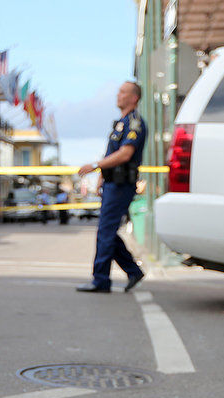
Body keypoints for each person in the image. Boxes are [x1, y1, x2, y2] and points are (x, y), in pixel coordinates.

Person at [76, 81, 147, 293]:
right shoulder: (120, 123)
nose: (118, 95)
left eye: (123, 92)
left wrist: (95, 166)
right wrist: (101, 177)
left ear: (134, 98)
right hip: (112, 183)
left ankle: (101, 280)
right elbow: (111, 154)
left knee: (105, 231)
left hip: (122, 185)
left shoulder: (135, 123)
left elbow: (125, 154)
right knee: (107, 232)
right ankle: (133, 271)